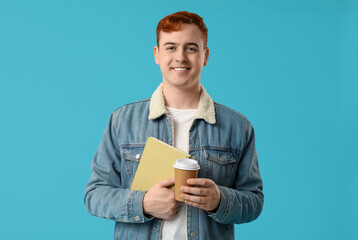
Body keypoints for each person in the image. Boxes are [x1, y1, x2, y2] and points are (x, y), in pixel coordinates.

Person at [84, 11, 263, 240]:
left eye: (191, 48)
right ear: (157, 54)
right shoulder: (122, 121)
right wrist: (143, 203)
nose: (180, 57)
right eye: (171, 47)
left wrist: (220, 200)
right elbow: (94, 195)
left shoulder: (237, 127)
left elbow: (254, 201)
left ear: (205, 56)